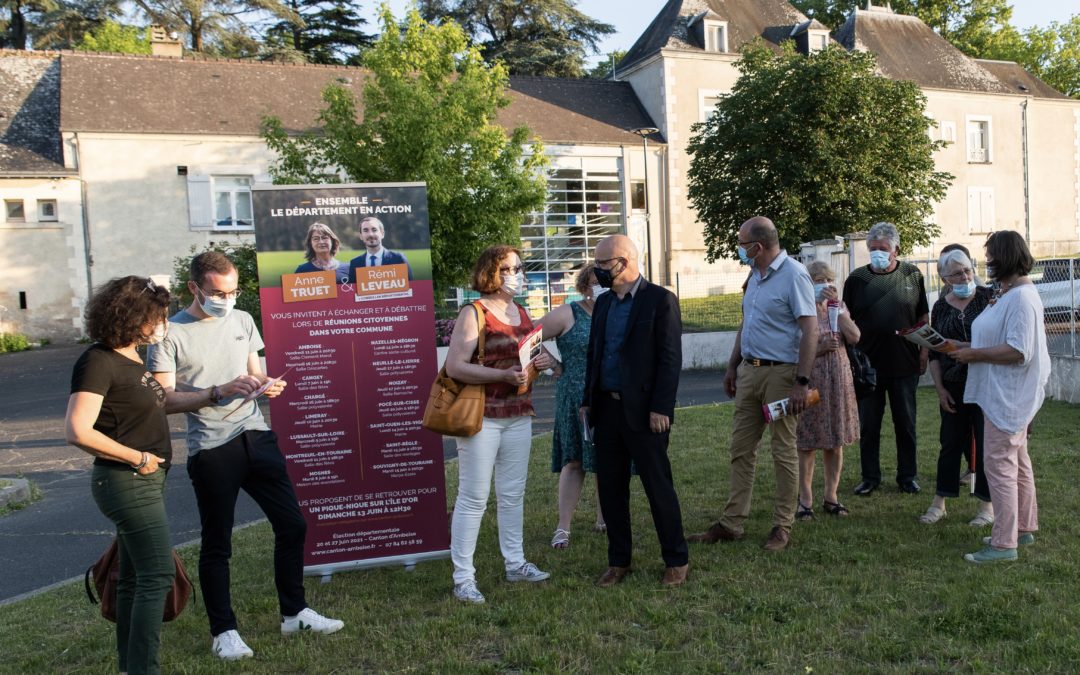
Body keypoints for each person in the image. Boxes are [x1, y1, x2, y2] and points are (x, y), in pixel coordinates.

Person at [148, 252, 343, 661]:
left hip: (256, 435)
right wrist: (217, 391)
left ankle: (294, 613)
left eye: (234, 290)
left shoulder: (242, 320)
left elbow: (254, 373)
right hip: (212, 449)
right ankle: (224, 632)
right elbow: (163, 401)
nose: (227, 298)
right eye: (218, 292)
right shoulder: (170, 334)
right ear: (194, 288)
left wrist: (267, 386)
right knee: (217, 544)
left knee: (292, 525)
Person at [65, 276, 174, 675]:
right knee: (157, 576)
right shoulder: (99, 360)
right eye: (156, 316)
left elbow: (143, 410)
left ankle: (130, 667)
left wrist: (217, 392)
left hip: (143, 479)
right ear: (132, 316)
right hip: (127, 481)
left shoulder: (131, 357)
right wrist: (138, 457)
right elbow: (78, 430)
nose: (161, 323)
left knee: (131, 578)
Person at [688, 217, 817, 552]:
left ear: (758, 247)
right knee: (741, 449)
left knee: (782, 450)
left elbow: (810, 331)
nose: (739, 249)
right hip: (750, 372)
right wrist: (733, 365)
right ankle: (732, 524)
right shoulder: (755, 276)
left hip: (782, 375)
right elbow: (748, 322)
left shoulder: (794, 275)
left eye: (743, 244)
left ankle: (782, 525)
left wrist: (801, 381)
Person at [444, 245, 555, 604]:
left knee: (512, 494)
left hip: (519, 412)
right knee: (474, 497)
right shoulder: (473, 312)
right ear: (492, 272)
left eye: (520, 268)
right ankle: (463, 578)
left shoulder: (519, 310)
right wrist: (502, 374)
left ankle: (516, 563)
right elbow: (455, 367)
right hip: (483, 416)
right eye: (510, 268)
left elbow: (523, 357)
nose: (517, 274)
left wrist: (540, 362)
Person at [582, 234, 689, 586]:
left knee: (658, 486)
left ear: (624, 262)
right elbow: (594, 355)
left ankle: (676, 560)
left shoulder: (660, 301)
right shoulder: (603, 305)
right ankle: (619, 561)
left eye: (602, 264)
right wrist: (587, 401)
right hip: (607, 410)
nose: (596, 271)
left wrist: (661, 407)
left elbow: (670, 359)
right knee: (611, 489)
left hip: (646, 414)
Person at [953, 230, 1050, 564]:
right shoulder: (1011, 293)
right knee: (1018, 464)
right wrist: (964, 348)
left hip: (1007, 397)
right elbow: (1000, 339)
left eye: (992, 255)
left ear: (1007, 257)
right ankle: (1022, 528)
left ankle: (1003, 544)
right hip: (1005, 394)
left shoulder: (1022, 298)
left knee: (999, 467)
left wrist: (975, 356)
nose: (988, 261)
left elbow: (1017, 351)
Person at [843, 222, 929, 496]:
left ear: (896, 249)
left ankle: (907, 477)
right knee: (869, 425)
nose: (878, 253)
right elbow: (845, 319)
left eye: (883, 249)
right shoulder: (856, 280)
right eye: (873, 249)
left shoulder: (912, 275)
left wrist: (924, 352)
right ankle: (870, 477)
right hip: (867, 366)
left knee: (906, 423)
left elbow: (922, 317)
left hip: (904, 363)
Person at [919, 247, 995, 526]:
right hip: (953, 384)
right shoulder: (941, 307)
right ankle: (940, 502)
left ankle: (987, 507)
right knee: (949, 443)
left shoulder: (990, 298)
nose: (964, 276)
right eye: (957, 273)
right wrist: (940, 389)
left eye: (967, 270)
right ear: (945, 279)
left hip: (986, 382)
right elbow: (936, 351)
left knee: (987, 443)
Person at [538, 264, 606, 549]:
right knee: (574, 460)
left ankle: (606, 518)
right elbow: (528, 338)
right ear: (583, 286)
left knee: (608, 459)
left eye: (603, 282)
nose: (598, 288)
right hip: (574, 396)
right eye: (593, 283)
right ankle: (563, 527)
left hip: (608, 395)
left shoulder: (616, 311)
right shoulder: (568, 313)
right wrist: (553, 365)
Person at [795, 261, 861, 521]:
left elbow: (855, 336)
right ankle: (805, 499)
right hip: (810, 379)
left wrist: (840, 311)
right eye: (818, 280)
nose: (824, 285)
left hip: (838, 380)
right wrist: (819, 347)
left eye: (828, 279)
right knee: (807, 440)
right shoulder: (802, 309)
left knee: (835, 439)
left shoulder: (837, 306)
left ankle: (831, 496)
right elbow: (793, 345)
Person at [347, 216, 413, 282]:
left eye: (374, 230)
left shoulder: (398, 259)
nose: (370, 234)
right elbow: (352, 291)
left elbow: (411, 287)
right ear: (361, 236)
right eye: (365, 230)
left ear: (382, 234)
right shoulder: (355, 263)